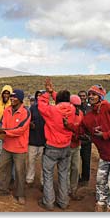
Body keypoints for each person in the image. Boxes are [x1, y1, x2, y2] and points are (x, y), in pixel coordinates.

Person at [65, 85, 110, 212]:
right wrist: (68, 125)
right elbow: (81, 129)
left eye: (94, 94)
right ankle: (100, 205)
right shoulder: (89, 116)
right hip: (105, 155)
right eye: (89, 94)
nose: (91, 96)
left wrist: (106, 135)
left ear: (101, 96)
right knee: (100, 181)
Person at [37, 78, 76, 211]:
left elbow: (41, 104)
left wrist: (47, 93)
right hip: (66, 147)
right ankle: (63, 202)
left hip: (52, 148)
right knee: (63, 175)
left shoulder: (52, 111)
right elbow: (63, 102)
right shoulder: (73, 110)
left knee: (47, 175)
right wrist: (53, 92)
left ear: (57, 99)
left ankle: (48, 203)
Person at [0, 89, 31, 205]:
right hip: (7, 146)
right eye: (11, 97)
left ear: (20, 99)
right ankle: (2, 189)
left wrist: (4, 131)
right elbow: (2, 123)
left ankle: (20, 194)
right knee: (3, 168)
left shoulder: (25, 112)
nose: (12, 99)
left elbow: (21, 129)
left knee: (19, 172)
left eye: (14, 97)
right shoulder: (7, 110)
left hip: (19, 148)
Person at [26, 90, 46, 188]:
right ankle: (29, 180)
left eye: (41, 95)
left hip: (44, 141)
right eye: (37, 95)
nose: (39, 97)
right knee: (31, 161)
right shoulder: (32, 108)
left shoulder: (48, 109)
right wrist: (30, 124)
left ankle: (43, 182)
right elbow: (26, 120)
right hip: (33, 140)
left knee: (44, 163)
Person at [67, 95, 84, 201]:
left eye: (78, 106)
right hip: (67, 145)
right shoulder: (66, 115)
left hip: (77, 145)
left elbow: (81, 128)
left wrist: (81, 135)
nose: (76, 108)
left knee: (76, 168)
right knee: (66, 169)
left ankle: (73, 190)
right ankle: (65, 190)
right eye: (75, 106)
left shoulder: (81, 114)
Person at [0, 85, 12, 161]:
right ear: (2, 94)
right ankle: (1, 166)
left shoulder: (11, 105)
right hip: (0, 130)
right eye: (4, 93)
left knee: (9, 150)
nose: (6, 95)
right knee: (0, 149)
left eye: (8, 93)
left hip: (9, 131)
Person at [77, 90, 92, 187]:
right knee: (75, 160)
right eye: (80, 96)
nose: (82, 97)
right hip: (77, 138)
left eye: (83, 96)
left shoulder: (90, 108)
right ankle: (76, 178)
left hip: (87, 139)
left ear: (86, 97)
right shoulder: (75, 107)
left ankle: (85, 179)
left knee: (86, 160)